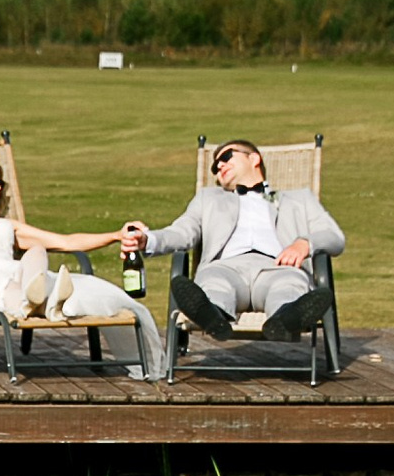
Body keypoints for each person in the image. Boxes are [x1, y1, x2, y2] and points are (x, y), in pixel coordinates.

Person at [0, 152, 163, 381]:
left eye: (0, 182)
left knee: (36, 249)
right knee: (11, 286)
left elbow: (66, 241)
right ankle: (44, 302)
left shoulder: (6, 225)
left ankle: (38, 299)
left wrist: (115, 235)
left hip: (18, 277)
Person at [123, 140, 343, 342]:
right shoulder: (208, 198)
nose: (219, 166)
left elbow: (334, 236)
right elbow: (182, 232)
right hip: (226, 267)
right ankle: (214, 317)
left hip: (278, 266)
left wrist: (304, 243)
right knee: (214, 284)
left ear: (254, 158)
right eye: (215, 166)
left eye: (226, 157)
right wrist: (147, 240)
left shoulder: (298, 198)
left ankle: (283, 321)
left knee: (287, 287)